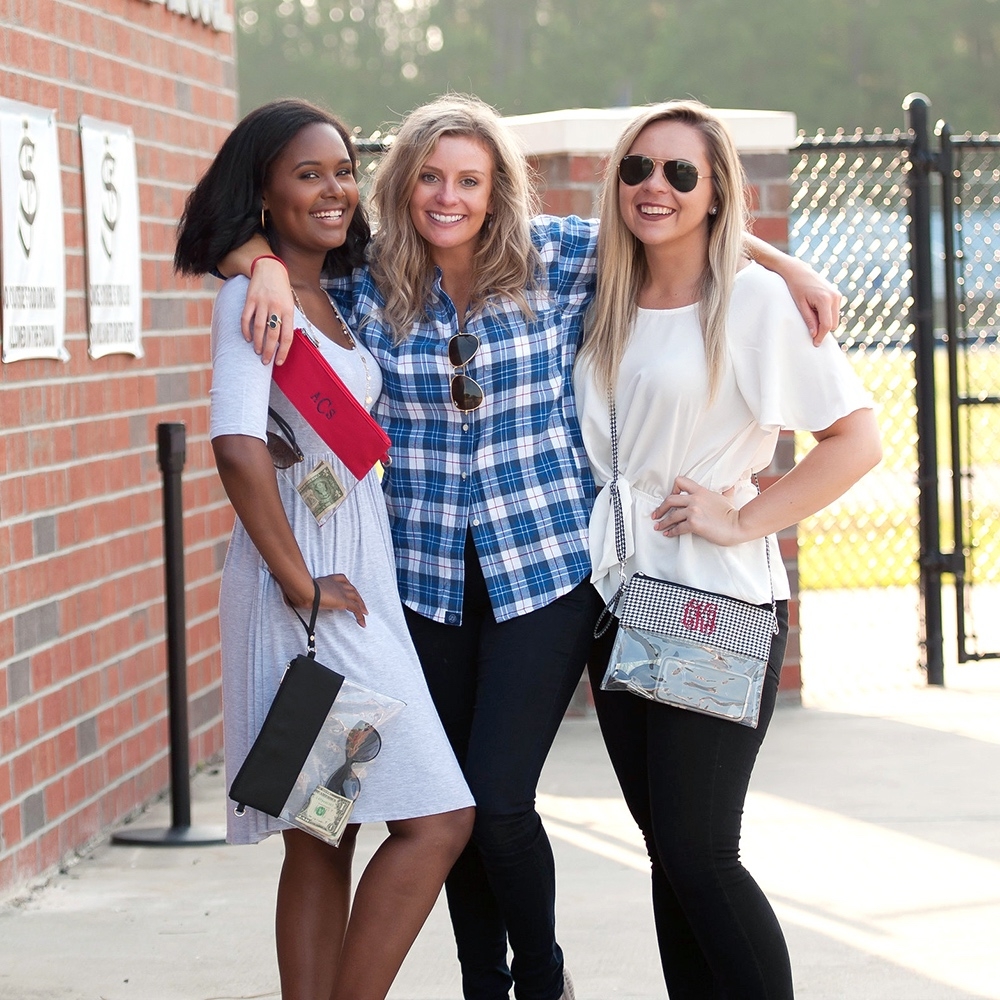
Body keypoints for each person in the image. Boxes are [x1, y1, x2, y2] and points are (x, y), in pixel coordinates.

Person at [218, 94, 843, 1000]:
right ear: (401, 186)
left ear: (497, 187)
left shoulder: (556, 257)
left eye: (469, 179)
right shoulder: (364, 277)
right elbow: (255, 257)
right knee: (379, 814)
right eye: (429, 176)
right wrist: (262, 268)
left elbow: (673, 233)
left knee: (496, 802)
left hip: (542, 577)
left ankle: (542, 980)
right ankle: (484, 981)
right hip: (409, 584)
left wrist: (786, 265)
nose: (448, 196)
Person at [574, 99, 882, 999]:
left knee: (703, 853)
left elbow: (856, 441)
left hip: (711, 597)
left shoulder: (751, 304)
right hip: (620, 596)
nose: (654, 187)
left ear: (718, 195)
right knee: (669, 855)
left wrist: (745, 520)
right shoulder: (605, 292)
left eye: (681, 172)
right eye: (637, 168)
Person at [173, 99, 475, 1000]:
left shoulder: (322, 294)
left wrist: (261, 263)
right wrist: (301, 585)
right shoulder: (250, 299)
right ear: (263, 193)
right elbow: (234, 443)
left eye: (343, 169)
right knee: (439, 819)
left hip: (353, 577)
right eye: (308, 174)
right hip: (308, 595)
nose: (336, 188)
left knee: (324, 824)